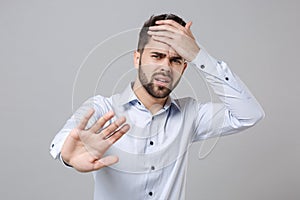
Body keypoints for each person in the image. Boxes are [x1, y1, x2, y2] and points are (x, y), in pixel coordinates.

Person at [50, 13, 264, 200]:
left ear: (184, 67)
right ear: (137, 58)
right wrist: (69, 157)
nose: (166, 67)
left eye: (176, 60)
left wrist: (199, 55)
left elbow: (249, 114)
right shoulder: (103, 108)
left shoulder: (191, 114)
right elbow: (64, 141)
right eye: (157, 56)